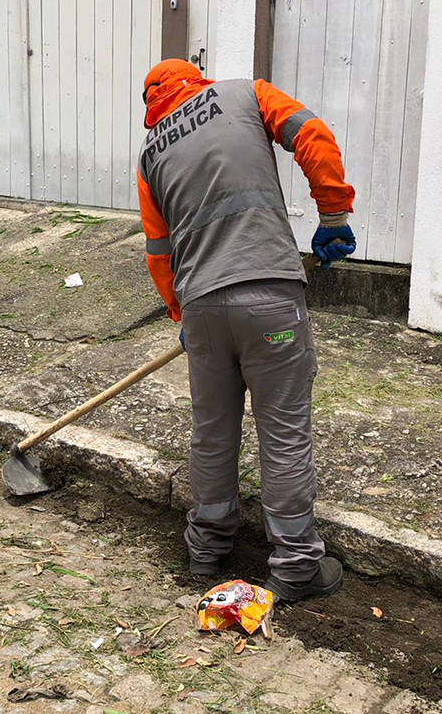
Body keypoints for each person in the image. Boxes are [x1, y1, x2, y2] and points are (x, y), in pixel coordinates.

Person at [135, 59, 356, 603]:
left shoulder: (151, 156)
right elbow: (313, 136)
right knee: (282, 431)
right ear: (198, 78)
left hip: (203, 308)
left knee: (212, 431)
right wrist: (333, 215)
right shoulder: (247, 94)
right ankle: (298, 565)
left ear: (153, 104)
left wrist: (180, 315)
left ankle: (206, 550)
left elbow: (159, 251)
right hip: (270, 297)